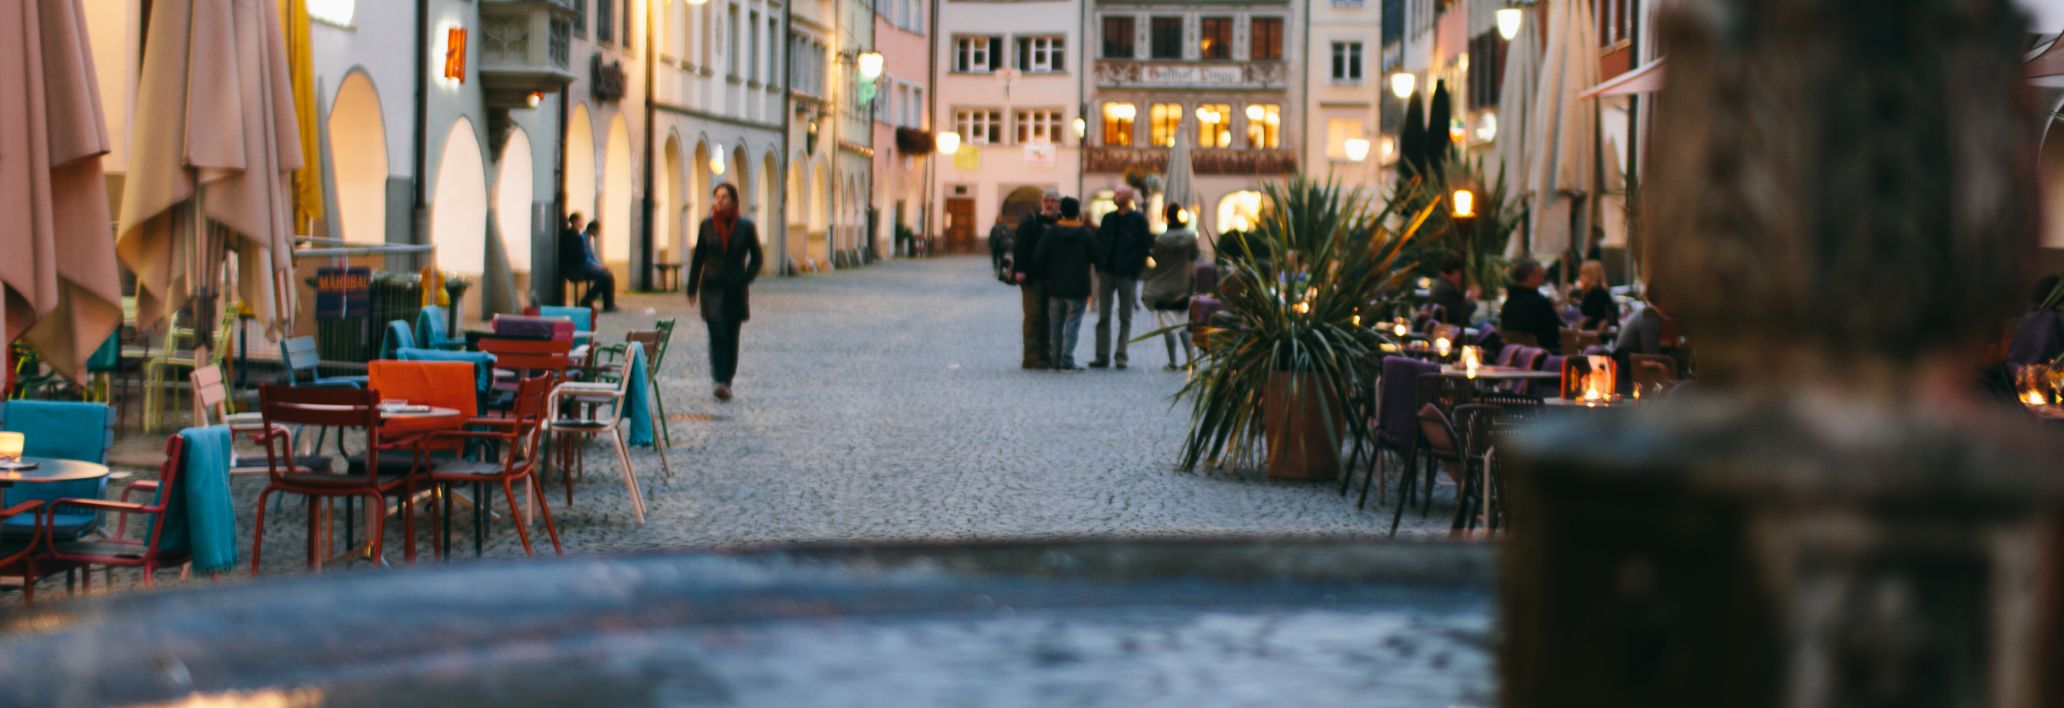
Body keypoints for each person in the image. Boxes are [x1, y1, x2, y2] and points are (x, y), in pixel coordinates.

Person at [686, 183, 764, 402]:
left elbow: (757, 258)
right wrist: (692, 288)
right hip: (711, 288)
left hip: (735, 290)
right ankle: (719, 380)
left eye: (724, 197)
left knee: (731, 336)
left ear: (734, 200)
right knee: (717, 334)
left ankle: (727, 379)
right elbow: (699, 258)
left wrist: (745, 277)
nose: (719, 201)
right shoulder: (707, 226)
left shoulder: (745, 227)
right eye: (717, 197)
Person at [1090, 188, 1152, 369]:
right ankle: (1102, 356)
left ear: (1129, 197)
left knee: (1125, 316)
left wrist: (1135, 269)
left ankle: (1121, 355)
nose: (1115, 197)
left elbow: (1145, 245)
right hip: (1107, 271)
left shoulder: (1138, 219)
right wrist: (1100, 264)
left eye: (1119, 194)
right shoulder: (1108, 218)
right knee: (1103, 315)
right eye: (1115, 194)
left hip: (1127, 272)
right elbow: (1101, 240)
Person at [1036, 197, 1096, 371]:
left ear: (1062, 211)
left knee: (1056, 325)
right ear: (1077, 212)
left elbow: (1040, 256)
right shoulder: (1085, 233)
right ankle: (1067, 359)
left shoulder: (1052, 232)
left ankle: (1055, 359)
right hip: (1078, 286)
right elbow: (1097, 257)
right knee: (1072, 324)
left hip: (1056, 285)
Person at [1141, 204, 1199, 370]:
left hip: (1162, 287)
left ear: (1167, 217)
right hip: (1183, 285)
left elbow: (1156, 258)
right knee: (1184, 326)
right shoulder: (1190, 237)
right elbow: (1195, 256)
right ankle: (1190, 361)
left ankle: (1172, 361)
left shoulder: (1161, 239)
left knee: (1167, 327)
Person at [1012, 190, 1060, 369]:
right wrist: (1020, 270)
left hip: (1055, 278)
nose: (1050, 204)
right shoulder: (1032, 223)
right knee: (1033, 317)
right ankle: (1031, 356)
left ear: (1059, 204)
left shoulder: (1061, 223)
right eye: (1047, 200)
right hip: (1033, 278)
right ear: (1042, 203)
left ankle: (1045, 353)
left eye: (1053, 201)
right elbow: (1020, 248)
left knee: (1049, 318)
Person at [1499, 259, 1562, 352]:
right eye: (1541, 275)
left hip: (1514, 354)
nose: (1542, 279)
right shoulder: (1540, 303)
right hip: (1543, 355)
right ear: (1530, 277)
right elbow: (1554, 330)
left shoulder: (1509, 302)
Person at [2007, 274, 2064, 366]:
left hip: (2015, 373)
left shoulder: (2027, 317)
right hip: (2038, 374)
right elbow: (2053, 355)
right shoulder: (2051, 319)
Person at [574, 220, 618, 312]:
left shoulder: (588, 238)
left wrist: (601, 266)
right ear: (592, 229)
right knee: (604, 277)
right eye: (597, 231)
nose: (598, 233)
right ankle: (587, 299)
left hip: (588, 265)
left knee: (609, 274)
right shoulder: (582, 238)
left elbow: (592, 256)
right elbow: (585, 258)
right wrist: (598, 267)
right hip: (583, 266)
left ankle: (609, 304)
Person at [1428, 252, 1472, 328]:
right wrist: (1470, 299)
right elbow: (1461, 318)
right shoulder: (1448, 290)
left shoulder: (1439, 283)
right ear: (1456, 272)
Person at [1575, 259, 1614, 331]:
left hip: (1593, 334)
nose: (1580, 277)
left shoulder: (1597, 292)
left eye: (1584, 273)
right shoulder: (1592, 291)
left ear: (1592, 275)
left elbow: (1596, 316)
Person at [988, 215, 1015, 282]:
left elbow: (992, 237)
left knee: (995, 258)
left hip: (995, 246)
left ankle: (995, 269)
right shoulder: (1006, 227)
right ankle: (1000, 270)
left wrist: (991, 245)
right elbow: (1010, 235)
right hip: (1003, 246)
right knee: (1002, 257)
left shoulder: (994, 227)